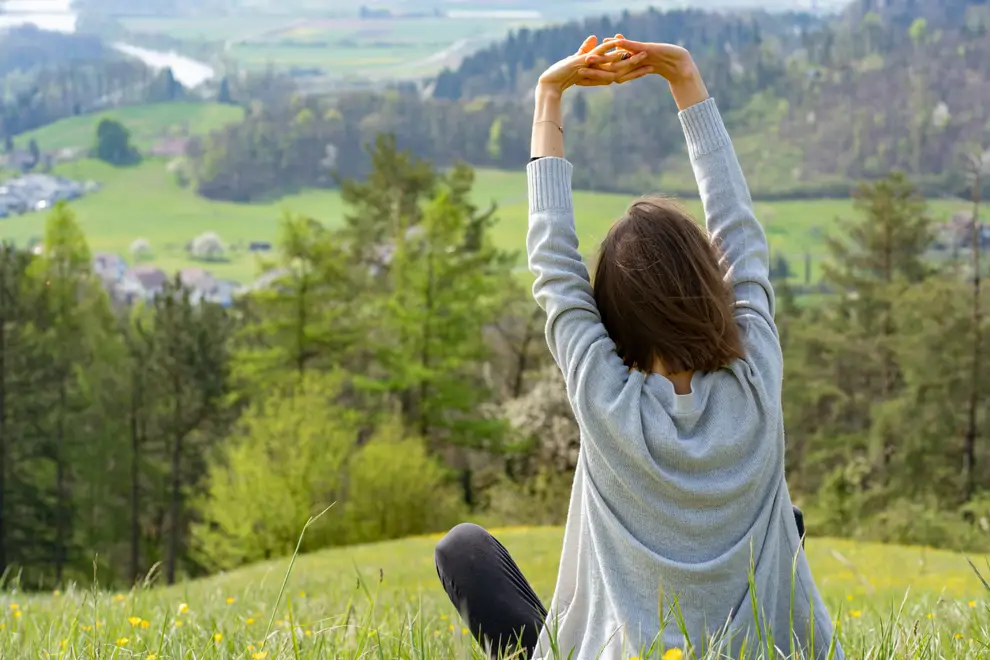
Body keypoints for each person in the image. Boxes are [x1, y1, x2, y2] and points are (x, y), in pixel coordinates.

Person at [435, 36, 841, 660]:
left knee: (463, 550)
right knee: (781, 521)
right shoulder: (756, 384)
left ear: (611, 315)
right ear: (712, 289)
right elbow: (739, 230)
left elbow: (553, 264)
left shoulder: (606, 400)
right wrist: (685, 81)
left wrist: (549, 96)